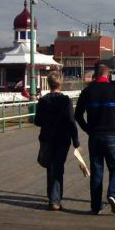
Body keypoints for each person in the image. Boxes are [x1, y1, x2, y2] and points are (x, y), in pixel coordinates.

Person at [75, 64, 115, 215]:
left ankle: (96, 206)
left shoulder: (87, 92)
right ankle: (112, 194)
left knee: (97, 170)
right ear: (108, 75)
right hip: (111, 135)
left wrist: (87, 129)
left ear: (95, 75)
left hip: (94, 136)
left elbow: (77, 115)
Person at [33, 72, 80, 211]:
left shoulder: (43, 100)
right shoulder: (66, 101)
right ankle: (55, 200)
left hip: (47, 138)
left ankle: (52, 197)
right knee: (58, 167)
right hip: (62, 138)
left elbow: (37, 121)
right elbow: (71, 121)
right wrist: (75, 140)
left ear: (49, 83)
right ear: (61, 83)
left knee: (50, 167)